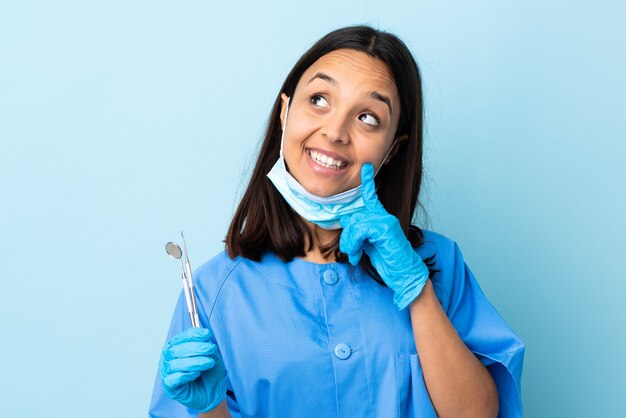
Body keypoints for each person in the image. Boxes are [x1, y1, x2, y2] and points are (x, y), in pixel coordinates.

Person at [149, 25, 524, 418]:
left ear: (393, 149)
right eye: (319, 99)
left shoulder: (438, 264)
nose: (335, 131)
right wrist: (209, 410)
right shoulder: (213, 292)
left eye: (367, 117)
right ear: (284, 112)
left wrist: (419, 292)